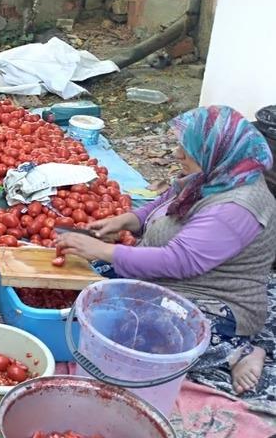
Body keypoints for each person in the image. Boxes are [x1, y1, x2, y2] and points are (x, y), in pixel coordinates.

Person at [57, 105, 276, 396]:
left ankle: (238, 351)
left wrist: (104, 251)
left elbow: (179, 261)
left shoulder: (236, 208)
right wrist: (130, 220)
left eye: (187, 149)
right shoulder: (216, 175)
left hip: (214, 298)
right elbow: (164, 203)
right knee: (86, 285)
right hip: (169, 278)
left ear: (215, 152)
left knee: (145, 331)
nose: (176, 154)